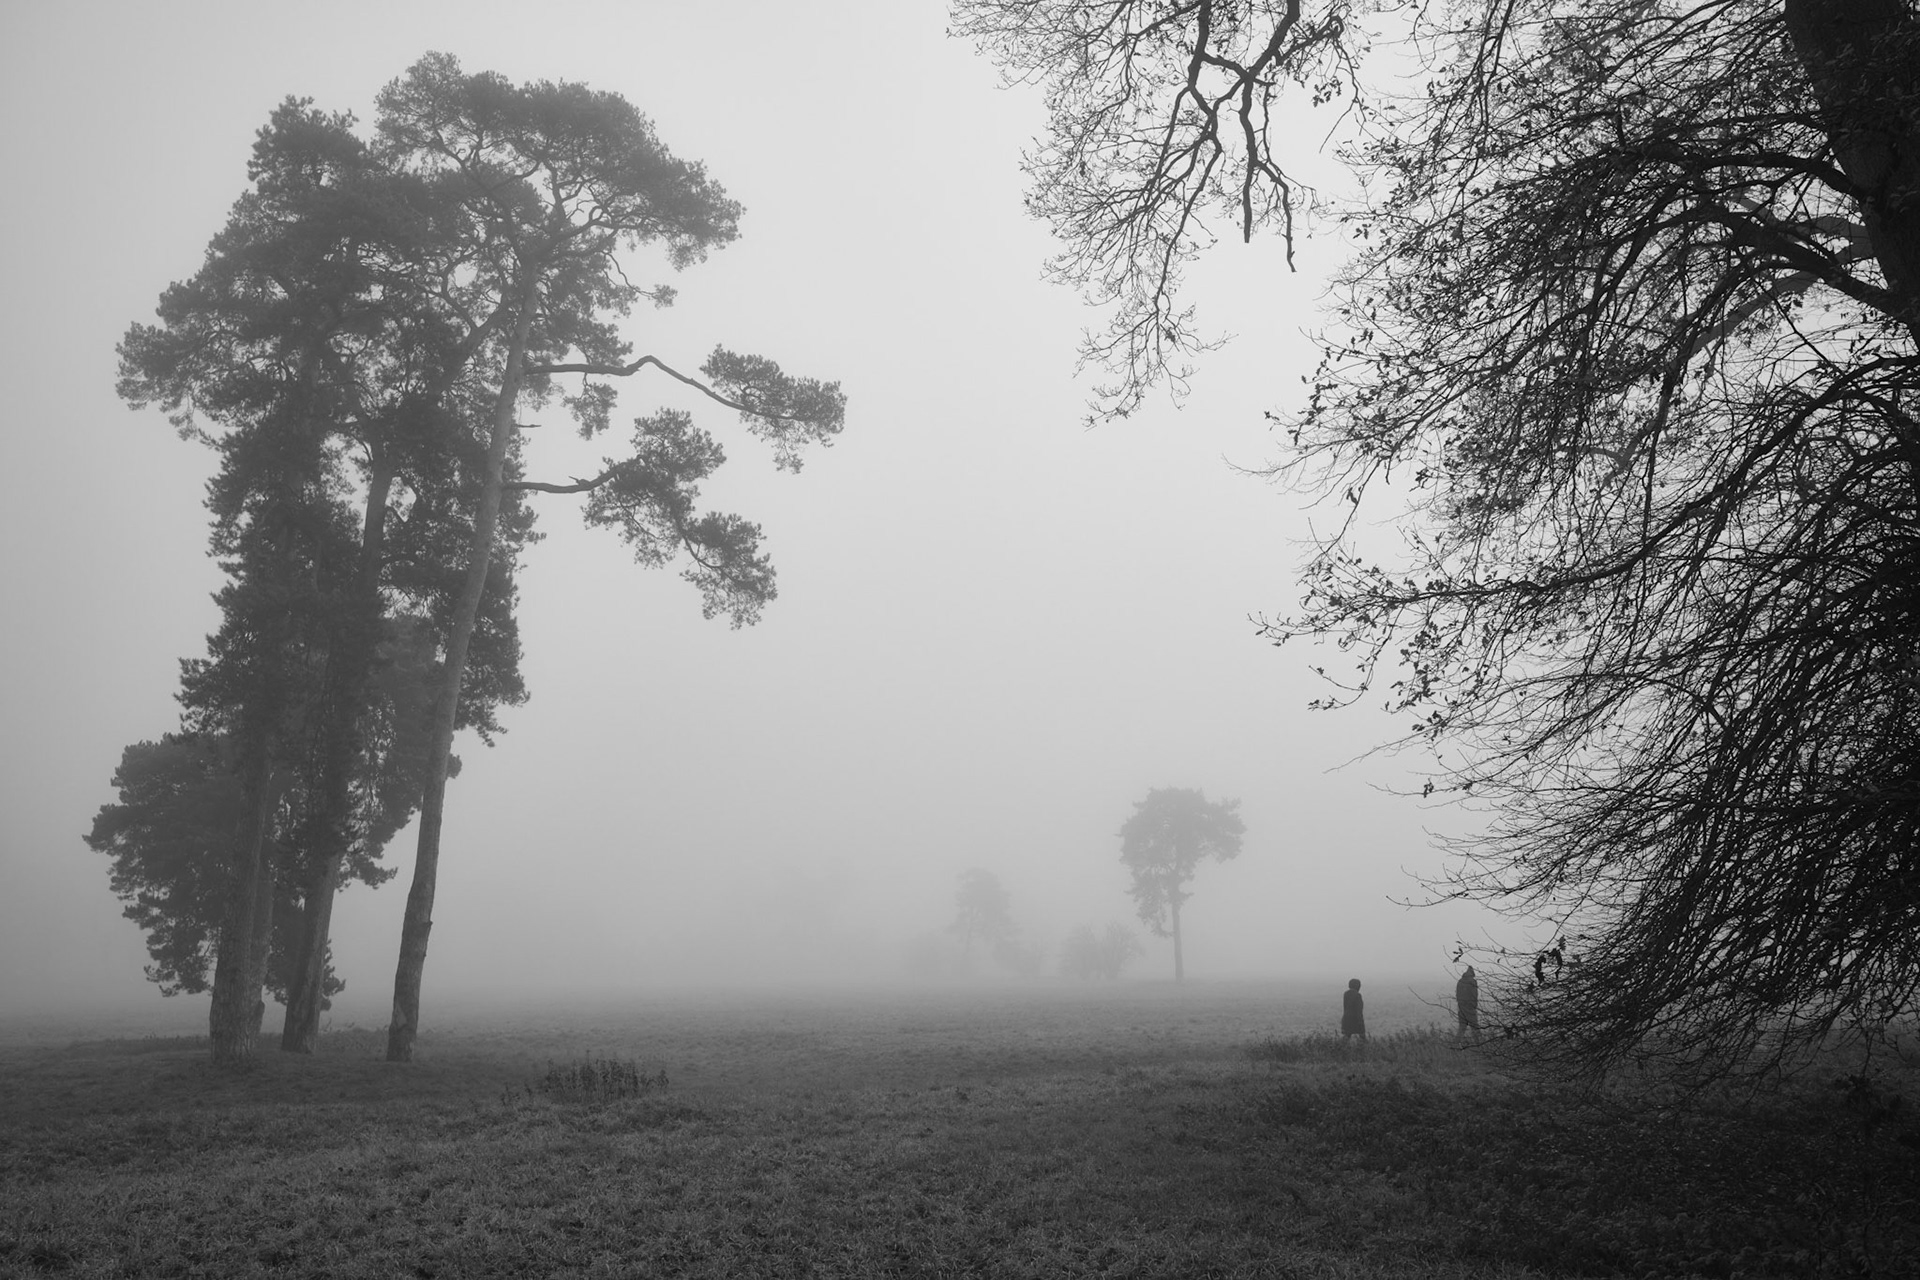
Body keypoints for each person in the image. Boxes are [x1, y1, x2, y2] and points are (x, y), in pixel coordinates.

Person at [1455, 966, 1481, 1038]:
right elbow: (1474, 995)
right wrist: (1474, 1006)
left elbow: (1457, 995)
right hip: (1470, 1007)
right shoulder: (1472, 981)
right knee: (1475, 1027)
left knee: (1462, 1027)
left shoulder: (1460, 981)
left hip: (1461, 1007)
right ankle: (1480, 1045)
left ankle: (1456, 1044)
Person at [1340, 978, 1366, 1042]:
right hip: (1355, 1019)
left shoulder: (1346, 994)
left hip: (1346, 1019)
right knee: (1362, 1038)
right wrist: (1361, 1022)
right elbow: (1359, 1011)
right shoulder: (1358, 995)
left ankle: (1339, 1049)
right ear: (1357, 986)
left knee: (1346, 1037)